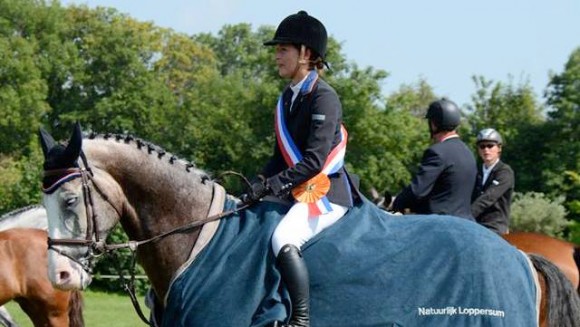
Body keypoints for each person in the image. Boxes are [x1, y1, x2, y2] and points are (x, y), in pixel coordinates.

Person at [246, 10, 358, 327]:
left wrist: (270, 186)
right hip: (297, 191)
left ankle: (301, 320)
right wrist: (253, 186)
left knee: (283, 238)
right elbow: (277, 160)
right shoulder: (286, 98)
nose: (276, 57)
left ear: (306, 54)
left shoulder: (324, 97)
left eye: (283, 49)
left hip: (327, 194)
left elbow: (314, 162)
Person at [391, 98, 477, 220]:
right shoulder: (468, 153)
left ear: (434, 124)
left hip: (440, 223)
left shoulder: (437, 152)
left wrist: (397, 204)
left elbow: (418, 191)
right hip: (468, 222)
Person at [471, 128, 514, 234]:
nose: (486, 150)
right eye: (482, 146)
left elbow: (488, 198)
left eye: (490, 146)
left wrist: (466, 215)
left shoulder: (505, 172)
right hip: (475, 224)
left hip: (495, 226)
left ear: (499, 148)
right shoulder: (476, 170)